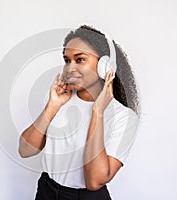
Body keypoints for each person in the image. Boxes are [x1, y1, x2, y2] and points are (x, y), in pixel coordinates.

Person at [19, 25, 140, 200]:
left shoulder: (123, 117)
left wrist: (98, 113)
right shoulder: (60, 100)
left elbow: (94, 181)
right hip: (47, 190)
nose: (70, 68)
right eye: (67, 60)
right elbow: (25, 150)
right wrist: (53, 106)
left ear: (104, 66)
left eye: (80, 59)